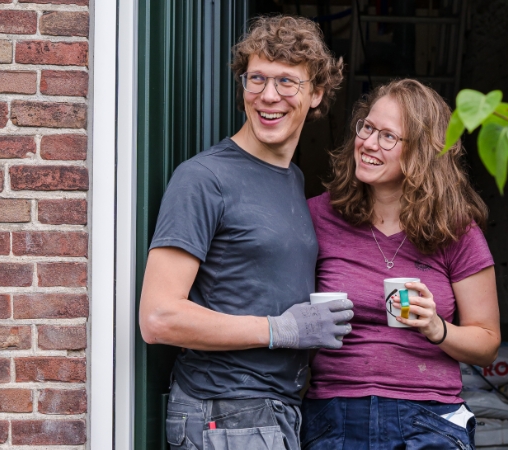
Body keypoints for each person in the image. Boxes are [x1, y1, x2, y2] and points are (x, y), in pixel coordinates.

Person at [139, 15, 353, 450]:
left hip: (276, 410)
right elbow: (158, 317)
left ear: (316, 94)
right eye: (256, 78)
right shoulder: (203, 178)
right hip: (224, 408)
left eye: (287, 82)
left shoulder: (292, 179)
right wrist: (279, 330)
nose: (268, 96)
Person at [301, 79, 501, 450]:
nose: (369, 143)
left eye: (388, 136)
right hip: (336, 416)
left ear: (422, 152)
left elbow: (487, 344)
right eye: (367, 127)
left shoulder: (456, 231)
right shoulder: (317, 217)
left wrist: (436, 326)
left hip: (429, 418)